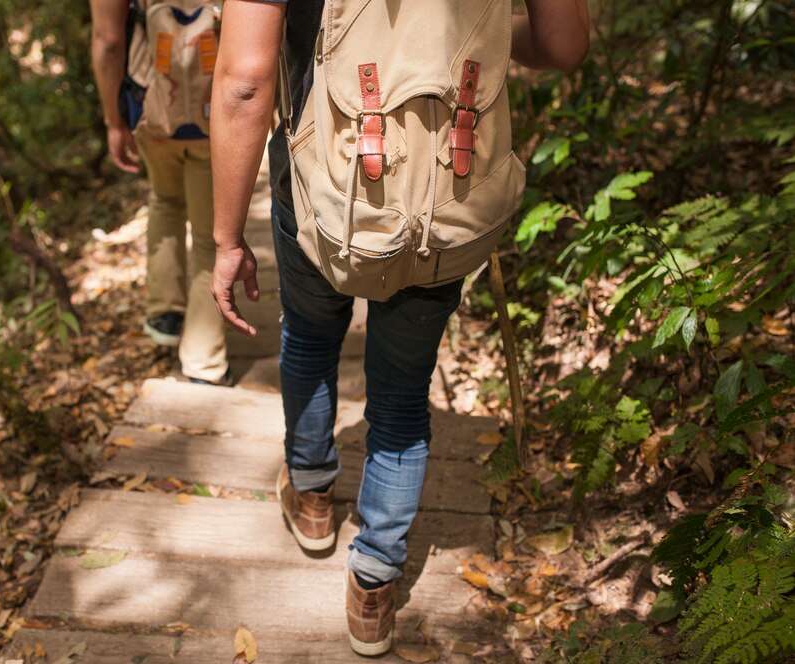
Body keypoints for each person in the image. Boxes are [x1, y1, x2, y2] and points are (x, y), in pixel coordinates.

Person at [210, 0, 589, 655]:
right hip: (449, 185)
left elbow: (245, 79)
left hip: (317, 180)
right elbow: (562, 46)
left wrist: (226, 237)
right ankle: (374, 583)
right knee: (403, 390)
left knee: (308, 337)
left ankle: (312, 498)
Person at [90, 0, 232, 385]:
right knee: (209, 236)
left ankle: (166, 314)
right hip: (214, 110)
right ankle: (204, 361)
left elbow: (108, 42)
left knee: (165, 199)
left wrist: (113, 121)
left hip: (152, 108)